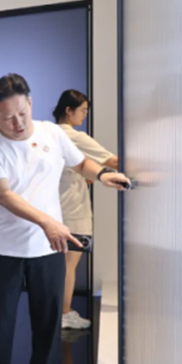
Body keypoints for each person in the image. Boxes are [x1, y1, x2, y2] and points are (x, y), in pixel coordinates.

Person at [0, 74, 129, 364]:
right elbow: (5, 195)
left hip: (48, 249)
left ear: (30, 103)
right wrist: (47, 222)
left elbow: (79, 163)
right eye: (8, 118)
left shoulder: (52, 133)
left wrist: (101, 175)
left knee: (48, 325)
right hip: (5, 250)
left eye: (23, 113)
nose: (18, 123)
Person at [53, 90, 118, 330]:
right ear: (68, 110)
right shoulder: (73, 135)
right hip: (73, 208)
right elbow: (111, 161)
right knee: (69, 264)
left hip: (57, 206)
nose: (85, 115)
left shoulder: (50, 133)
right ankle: (64, 313)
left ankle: (58, 312)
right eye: (83, 110)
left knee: (60, 264)